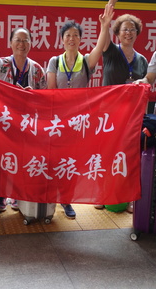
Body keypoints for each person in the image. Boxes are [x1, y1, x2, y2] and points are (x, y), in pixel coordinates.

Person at [46, 13, 107, 219]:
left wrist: (105, 25)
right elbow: (51, 90)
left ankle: (66, 199)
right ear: (62, 39)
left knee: (71, 162)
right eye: (67, 35)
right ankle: (50, 196)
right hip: (58, 121)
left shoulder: (87, 61)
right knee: (54, 160)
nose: (71, 39)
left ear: (81, 39)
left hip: (79, 122)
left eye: (75, 35)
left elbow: (99, 48)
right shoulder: (54, 61)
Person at [95, 0, 149, 213]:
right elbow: (104, 27)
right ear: (118, 33)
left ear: (137, 33)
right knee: (105, 153)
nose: (128, 33)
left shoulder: (143, 60)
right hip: (109, 114)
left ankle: (127, 197)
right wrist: (112, 3)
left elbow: (146, 90)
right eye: (124, 30)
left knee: (129, 154)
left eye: (132, 30)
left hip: (132, 117)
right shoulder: (109, 50)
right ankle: (101, 195)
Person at [0, 27, 47, 212]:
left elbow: (45, 97)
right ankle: (1, 196)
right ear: (10, 43)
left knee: (24, 158)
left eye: (26, 40)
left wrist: (32, 95)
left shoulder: (37, 69)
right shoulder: (0, 64)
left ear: (31, 44)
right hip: (4, 121)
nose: (21, 44)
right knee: (3, 157)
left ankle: (18, 195)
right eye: (18, 40)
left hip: (27, 123)